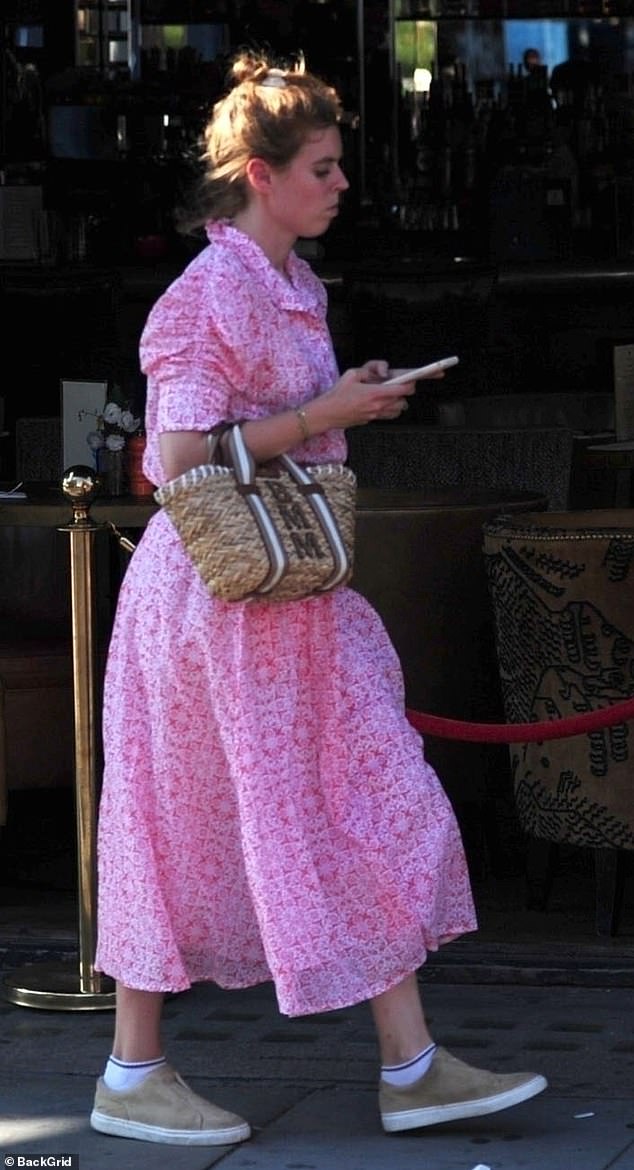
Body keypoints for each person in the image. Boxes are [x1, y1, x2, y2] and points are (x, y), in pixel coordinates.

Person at [89, 50, 547, 1147]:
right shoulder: (205, 294)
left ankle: (413, 1062)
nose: (345, 185)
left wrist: (346, 401)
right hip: (216, 602)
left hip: (295, 596)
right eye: (327, 166)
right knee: (181, 824)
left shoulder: (287, 282)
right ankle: (130, 1070)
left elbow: (273, 419)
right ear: (261, 171)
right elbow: (177, 452)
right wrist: (318, 412)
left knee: (366, 791)